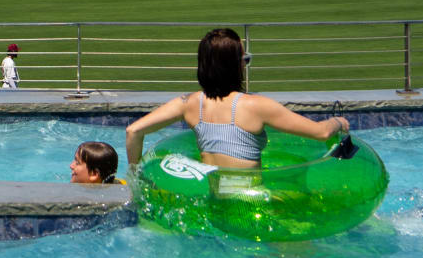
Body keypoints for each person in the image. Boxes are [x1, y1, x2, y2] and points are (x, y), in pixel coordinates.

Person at [122, 29, 351, 172]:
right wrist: (339, 122)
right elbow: (321, 133)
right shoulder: (257, 106)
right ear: (235, 66)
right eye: (243, 59)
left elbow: (133, 131)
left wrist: (135, 174)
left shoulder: (189, 103)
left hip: (214, 201)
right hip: (247, 203)